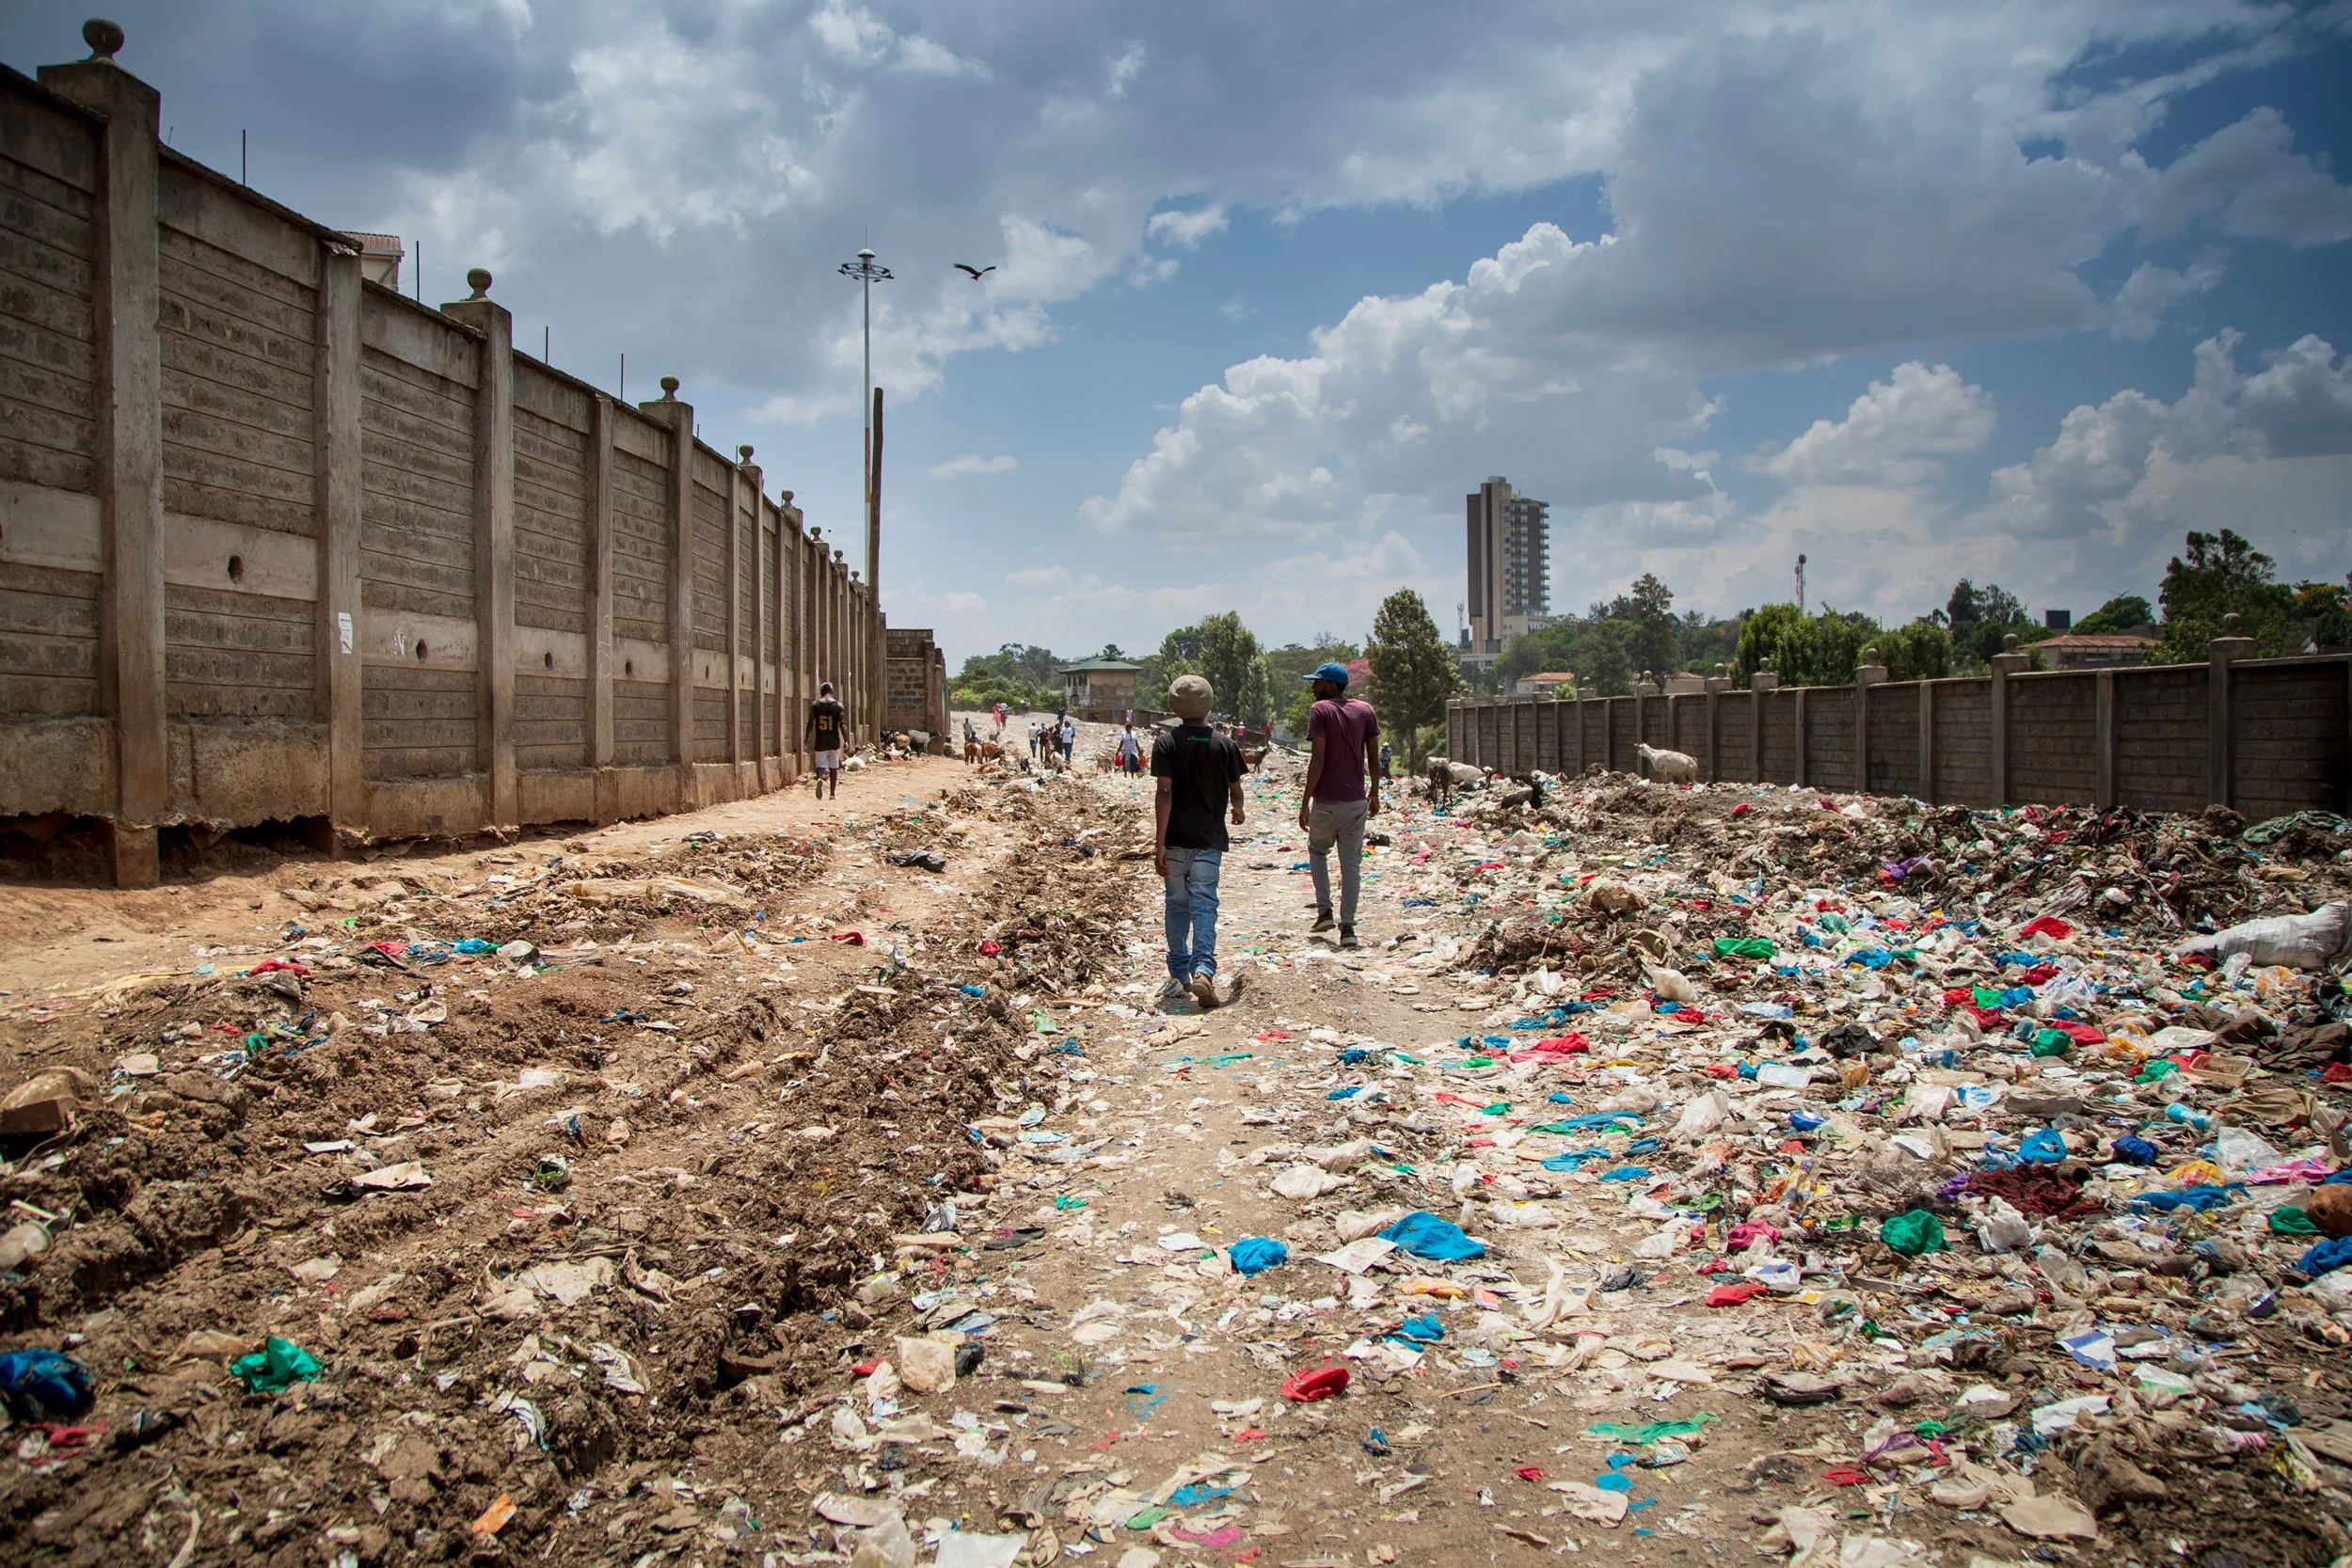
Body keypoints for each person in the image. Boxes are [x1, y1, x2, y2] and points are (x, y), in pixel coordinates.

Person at [1153, 674, 1245, 1011]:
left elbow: (1164, 792)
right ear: (1208, 703)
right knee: (1205, 904)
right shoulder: (1224, 743)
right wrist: (1238, 809)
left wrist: (1160, 842)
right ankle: (1204, 969)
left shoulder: (1165, 743)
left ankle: (1179, 972)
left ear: (1174, 705)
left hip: (1176, 839)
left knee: (1177, 904)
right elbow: (1235, 788)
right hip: (1209, 842)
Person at [1297, 660, 1378, 947]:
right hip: (1357, 801)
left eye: (1317, 682)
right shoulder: (1365, 710)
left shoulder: (1320, 710)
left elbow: (1317, 759)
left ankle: (1325, 911)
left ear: (1330, 685)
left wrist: (1305, 800)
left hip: (1326, 801)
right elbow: (1373, 757)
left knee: (1318, 851)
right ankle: (1348, 929)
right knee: (1351, 865)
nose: (1313, 687)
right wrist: (1375, 793)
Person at [806, 681, 850, 799]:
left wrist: (807, 737)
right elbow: (843, 724)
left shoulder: (816, 705)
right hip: (834, 741)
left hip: (821, 740)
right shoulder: (838, 706)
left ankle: (820, 778)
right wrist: (846, 740)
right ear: (832, 692)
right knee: (834, 767)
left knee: (820, 765)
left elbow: (810, 723)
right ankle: (832, 794)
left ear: (821, 692)